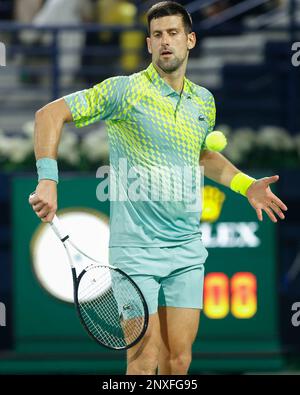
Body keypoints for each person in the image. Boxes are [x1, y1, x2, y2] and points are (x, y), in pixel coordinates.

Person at [29, 1, 287, 375]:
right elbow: (48, 115)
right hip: (135, 252)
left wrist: (246, 186)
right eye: (157, 35)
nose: (165, 42)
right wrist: (48, 179)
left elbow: (198, 155)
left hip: (186, 249)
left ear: (190, 39)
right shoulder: (124, 92)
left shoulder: (203, 101)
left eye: (173, 33)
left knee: (178, 361)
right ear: (148, 44)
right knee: (143, 361)